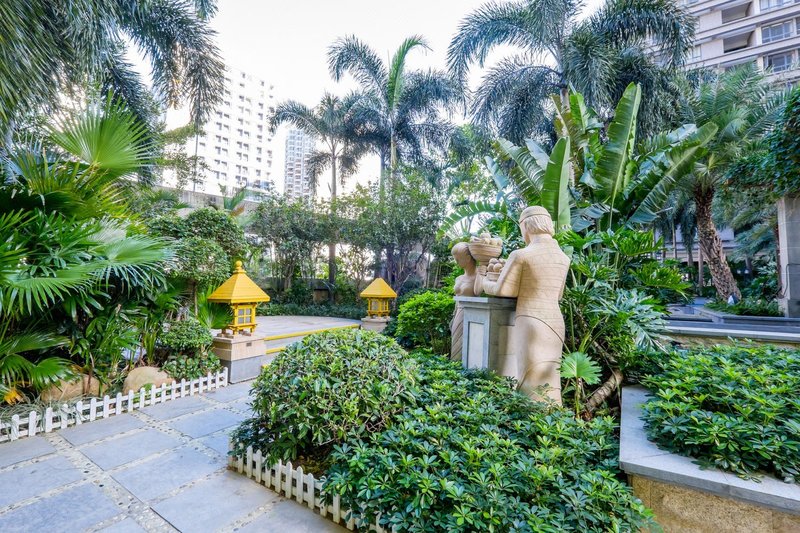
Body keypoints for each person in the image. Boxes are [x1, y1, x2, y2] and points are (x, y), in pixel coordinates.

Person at [475, 206, 570, 404]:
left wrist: (485, 281)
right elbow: (558, 294)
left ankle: (531, 414)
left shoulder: (522, 255)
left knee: (530, 376)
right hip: (555, 321)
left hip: (531, 320)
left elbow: (503, 290)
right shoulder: (563, 258)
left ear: (526, 226)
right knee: (550, 375)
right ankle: (553, 414)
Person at [450, 242, 477, 361]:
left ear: (468, 258)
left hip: (472, 314)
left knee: (468, 343)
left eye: (458, 259)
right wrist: (454, 315)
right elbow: (457, 299)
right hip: (458, 313)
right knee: (455, 341)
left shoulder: (479, 277)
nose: (456, 262)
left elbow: (479, 291)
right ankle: (455, 366)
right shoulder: (459, 278)